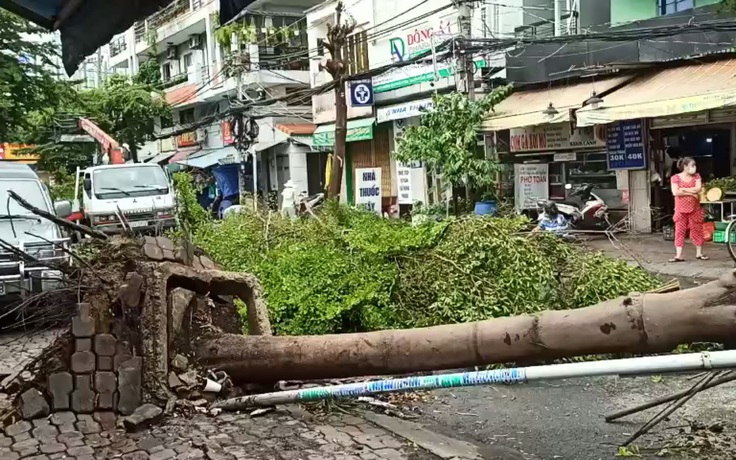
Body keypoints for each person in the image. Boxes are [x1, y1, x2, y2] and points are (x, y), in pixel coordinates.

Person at [670, 157, 708, 262]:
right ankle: (678, 255)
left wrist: (684, 189)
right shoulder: (675, 178)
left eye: (694, 165)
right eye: (692, 165)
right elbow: (675, 192)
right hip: (680, 209)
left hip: (695, 208)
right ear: (685, 167)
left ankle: (699, 253)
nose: (694, 168)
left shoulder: (697, 176)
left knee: (697, 230)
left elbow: (698, 188)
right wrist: (692, 194)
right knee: (679, 231)